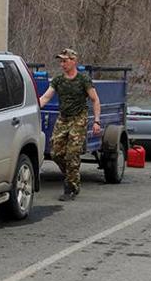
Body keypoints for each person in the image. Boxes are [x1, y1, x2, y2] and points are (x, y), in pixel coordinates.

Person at [37, 48, 102, 201]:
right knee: (56, 153)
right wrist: (32, 106)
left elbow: (95, 99)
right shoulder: (58, 80)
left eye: (65, 61)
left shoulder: (83, 79)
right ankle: (73, 176)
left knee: (72, 153)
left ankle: (70, 187)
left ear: (73, 61)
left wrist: (97, 121)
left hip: (79, 118)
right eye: (61, 61)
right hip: (64, 118)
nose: (62, 64)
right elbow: (45, 98)